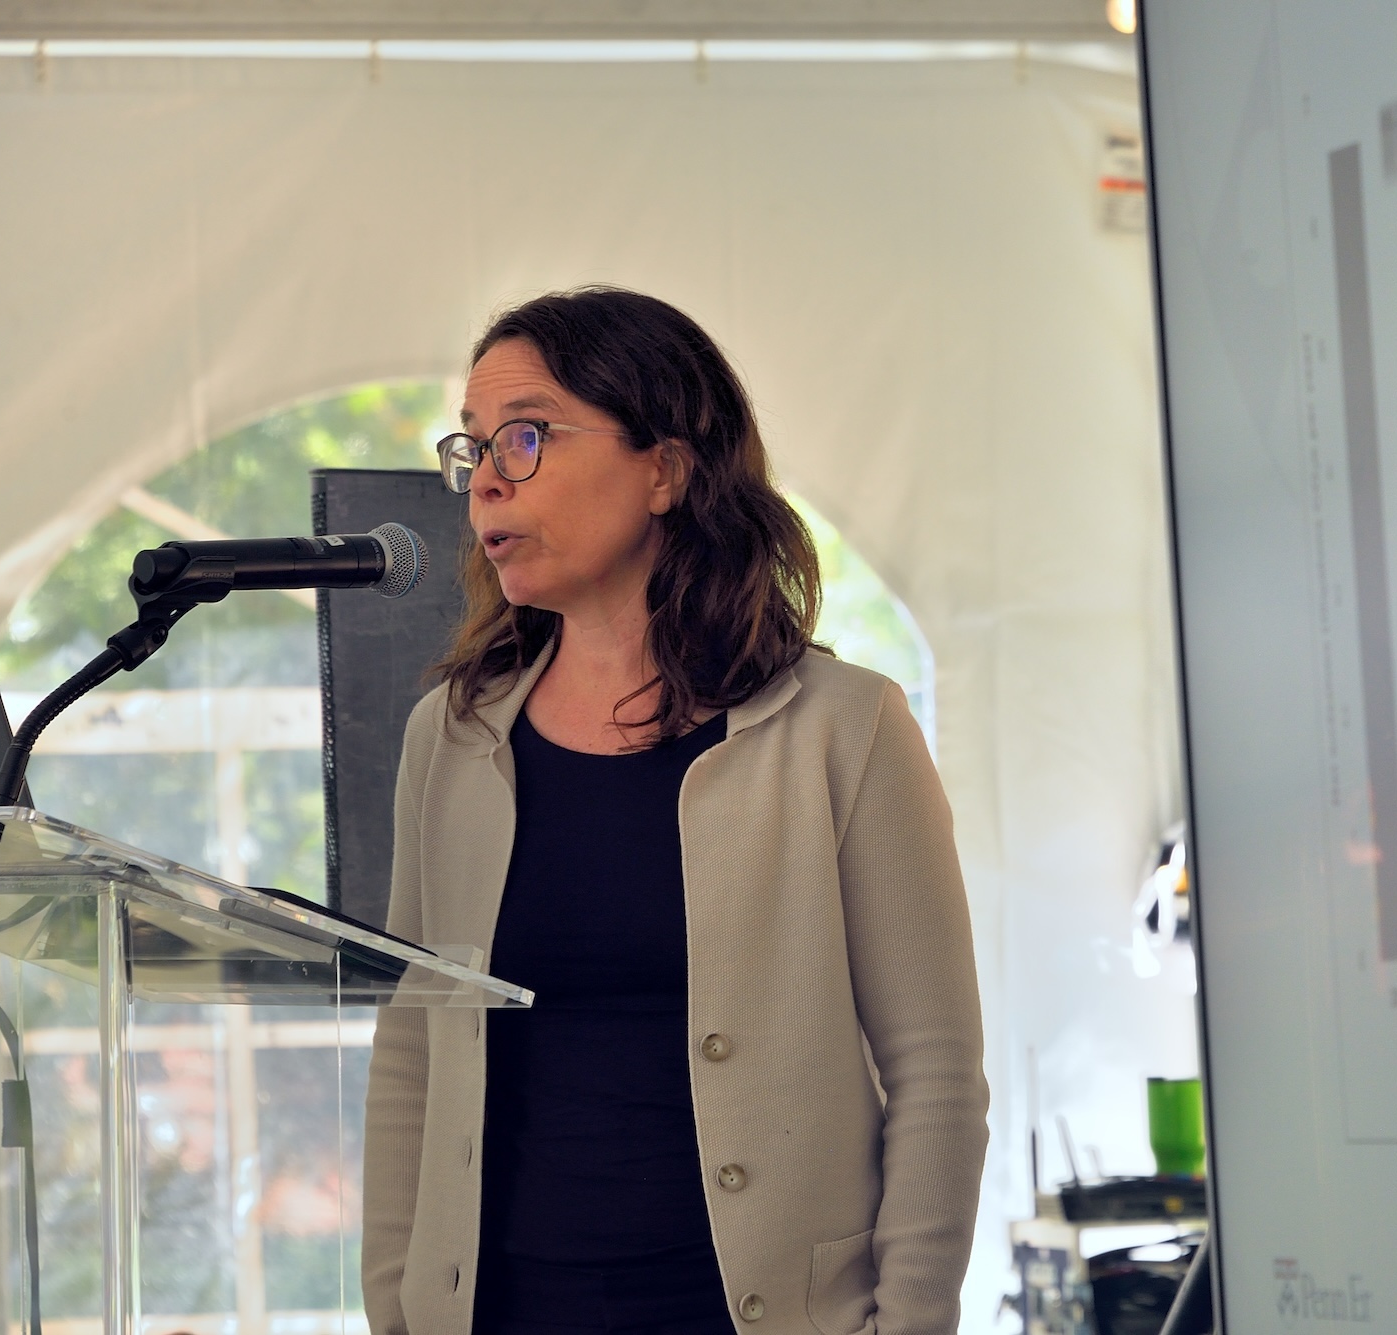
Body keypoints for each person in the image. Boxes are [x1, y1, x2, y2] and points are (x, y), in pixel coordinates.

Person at [361, 287, 988, 1335]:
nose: (484, 487)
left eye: (525, 437)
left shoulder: (844, 728)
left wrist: (908, 1323)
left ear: (665, 466)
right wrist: (395, 1308)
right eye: (471, 452)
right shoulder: (452, 738)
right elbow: (412, 1051)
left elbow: (934, 1072)